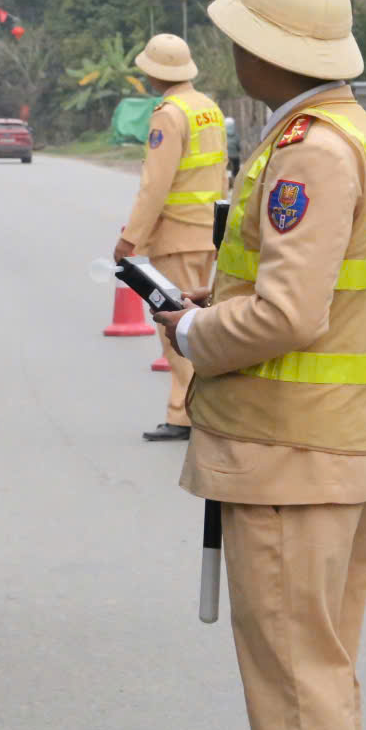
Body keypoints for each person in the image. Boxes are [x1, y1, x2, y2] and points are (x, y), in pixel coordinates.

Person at [154, 0, 366, 730]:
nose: (232, 54)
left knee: (298, 677)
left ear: (269, 50)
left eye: (240, 40)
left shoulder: (309, 152)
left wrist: (190, 333)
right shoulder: (351, 137)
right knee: (316, 672)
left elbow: (289, 311)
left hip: (288, 453)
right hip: (326, 445)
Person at [115, 33, 224, 441]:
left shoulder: (169, 114)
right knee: (199, 320)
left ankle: (186, 414)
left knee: (174, 325)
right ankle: (198, 412)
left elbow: (154, 186)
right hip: (208, 233)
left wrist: (131, 239)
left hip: (176, 234)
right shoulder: (208, 108)